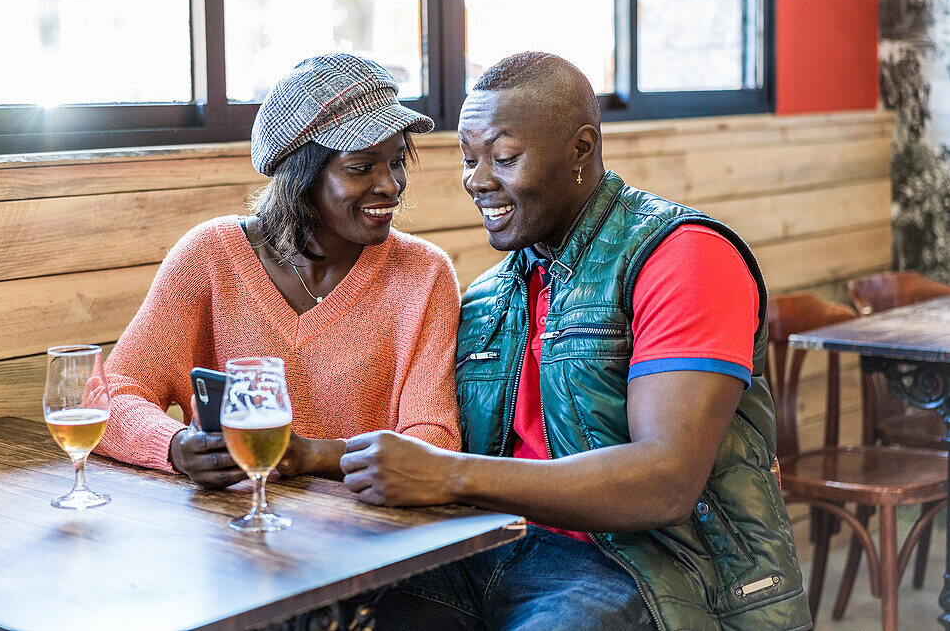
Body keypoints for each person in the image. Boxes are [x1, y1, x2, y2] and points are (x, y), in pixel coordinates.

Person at [338, 52, 813, 630]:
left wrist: (448, 474)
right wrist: (304, 453)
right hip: (492, 548)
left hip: (649, 567)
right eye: (469, 160)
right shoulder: (492, 294)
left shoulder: (683, 256)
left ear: (581, 149)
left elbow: (666, 484)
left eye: (504, 158)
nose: (477, 180)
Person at [97, 53, 462, 487]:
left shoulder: (424, 275)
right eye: (362, 167)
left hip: (371, 537)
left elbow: (433, 443)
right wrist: (175, 447)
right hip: (233, 534)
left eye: (397, 161)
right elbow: (111, 395)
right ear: (301, 174)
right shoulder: (209, 256)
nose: (390, 185)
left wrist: (316, 456)